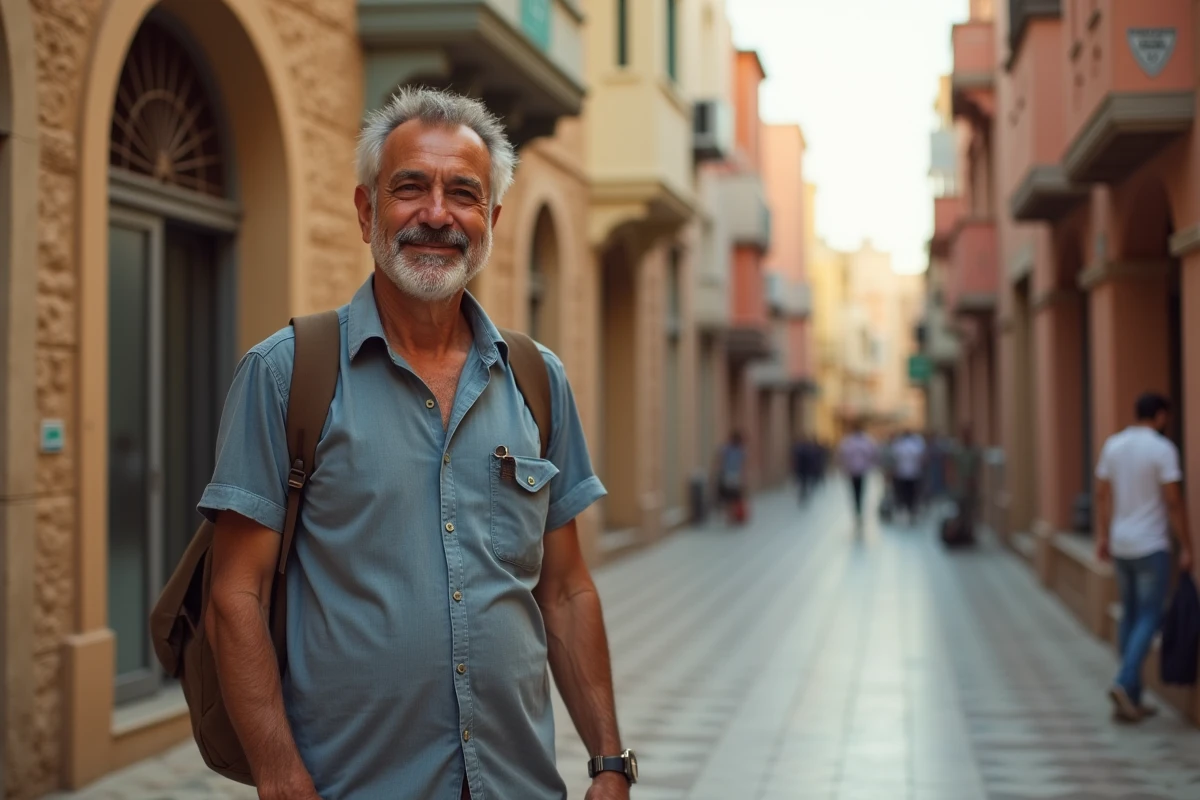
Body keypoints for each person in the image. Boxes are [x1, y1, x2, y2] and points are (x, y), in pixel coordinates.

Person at [201, 88, 633, 800]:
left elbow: (565, 589)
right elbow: (234, 595)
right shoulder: (286, 374)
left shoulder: (536, 379)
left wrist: (609, 761)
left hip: (517, 785)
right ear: (367, 210)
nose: (437, 214)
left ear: (490, 221)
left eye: (463, 193)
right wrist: (280, 778)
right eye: (411, 188)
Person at [1095, 392, 1195, 723]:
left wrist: (1103, 534)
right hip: (1151, 545)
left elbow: (1101, 494)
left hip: (1122, 543)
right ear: (1161, 415)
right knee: (1149, 617)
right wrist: (1188, 545)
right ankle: (1125, 682)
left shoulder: (1114, 445)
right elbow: (1173, 500)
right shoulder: (1162, 449)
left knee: (1131, 615)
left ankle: (1132, 697)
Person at [838, 421, 878, 524]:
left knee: (855, 491)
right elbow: (872, 454)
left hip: (853, 470)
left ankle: (857, 509)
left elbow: (843, 455)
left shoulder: (849, 441)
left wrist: (844, 467)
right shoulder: (866, 440)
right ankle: (858, 509)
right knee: (860, 491)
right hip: (861, 470)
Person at [890, 430, 927, 524]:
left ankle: (909, 509)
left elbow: (895, 459)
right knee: (911, 494)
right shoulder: (915, 445)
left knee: (907, 494)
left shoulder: (900, 444)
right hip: (910, 474)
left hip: (906, 474)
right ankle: (910, 509)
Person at [716, 431, 749, 524]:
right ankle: (733, 515)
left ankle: (729, 516)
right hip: (735, 476)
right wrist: (744, 479)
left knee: (729, 498)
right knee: (735, 497)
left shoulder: (726, 449)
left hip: (727, 476)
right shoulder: (741, 450)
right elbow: (743, 466)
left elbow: (720, 461)